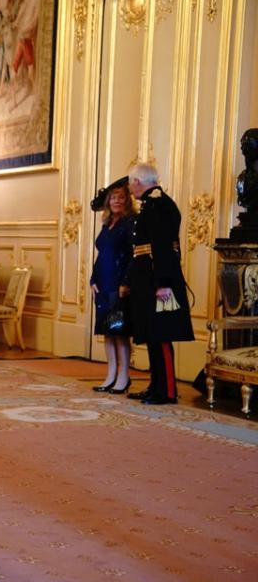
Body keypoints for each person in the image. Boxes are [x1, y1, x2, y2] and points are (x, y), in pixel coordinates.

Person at [121, 163, 194, 405]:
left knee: (161, 336)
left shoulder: (159, 204)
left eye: (131, 183)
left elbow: (162, 248)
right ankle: (156, 386)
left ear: (138, 182)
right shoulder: (151, 204)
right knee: (152, 334)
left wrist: (162, 283)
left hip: (158, 281)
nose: (130, 189)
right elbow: (142, 250)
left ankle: (168, 391)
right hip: (147, 280)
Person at [89, 176, 135, 394]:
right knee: (107, 332)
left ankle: (124, 376)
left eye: (121, 198)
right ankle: (110, 374)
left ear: (127, 201)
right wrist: (92, 280)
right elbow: (102, 255)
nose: (116, 201)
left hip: (118, 286)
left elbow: (133, 257)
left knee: (119, 332)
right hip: (103, 285)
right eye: (113, 198)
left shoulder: (129, 223)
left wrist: (126, 283)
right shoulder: (108, 224)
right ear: (108, 202)